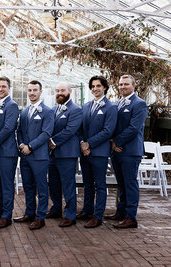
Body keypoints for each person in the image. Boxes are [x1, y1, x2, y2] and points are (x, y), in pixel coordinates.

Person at [107, 75, 147, 229]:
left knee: (130, 184)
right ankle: (121, 212)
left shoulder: (139, 104)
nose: (122, 87)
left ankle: (131, 218)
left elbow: (134, 128)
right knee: (121, 184)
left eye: (126, 84)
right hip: (116, 150)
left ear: (134, 85)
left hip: (130, 151)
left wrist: (117, 141)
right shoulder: (117, 103)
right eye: (120, 84)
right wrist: (112, 143)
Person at [78, 76, 117, 228]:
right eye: (93, 86)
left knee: (100, 185)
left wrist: (89, 144)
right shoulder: (86, 106)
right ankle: (87, 210)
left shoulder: (111, 107)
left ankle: (98, 215)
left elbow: (108, 131)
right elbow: (80, 128)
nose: (95, 89)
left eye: (98, 86)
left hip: (99, 152)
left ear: (105, 88)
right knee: (87, 184)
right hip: (84, 151)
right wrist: (82, 143)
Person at [14, 80, 54, 230]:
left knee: (41, 187)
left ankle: (40, 217)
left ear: (40, 92)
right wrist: (22, 145)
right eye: (29, 90)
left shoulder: (47, 111)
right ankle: (29, 213)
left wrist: (30, 146)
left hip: (39, 156)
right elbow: (19, 131)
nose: (31, 93)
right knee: (28, 186)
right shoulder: (24, 111)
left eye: (34, 90)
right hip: (25, 155)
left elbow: (46, 133)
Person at [48, 82, 82, 227]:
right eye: (57, 90)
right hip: (52, 154)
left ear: (70, 92)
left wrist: (53, 141)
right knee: (53, 184)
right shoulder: (54, 109)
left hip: (67, 154)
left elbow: (70, 130)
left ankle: (70, 215)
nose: (60, 93)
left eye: (62, 90)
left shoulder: (75, 110)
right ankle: (56, 209)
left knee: (68, 184)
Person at [0, 76, 19, 229]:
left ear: (9, 88)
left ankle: (7, 215)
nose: (0, 89)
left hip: (7, 152)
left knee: (7, 184)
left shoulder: (12, 105)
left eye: (3, 86)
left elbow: (8, 128)